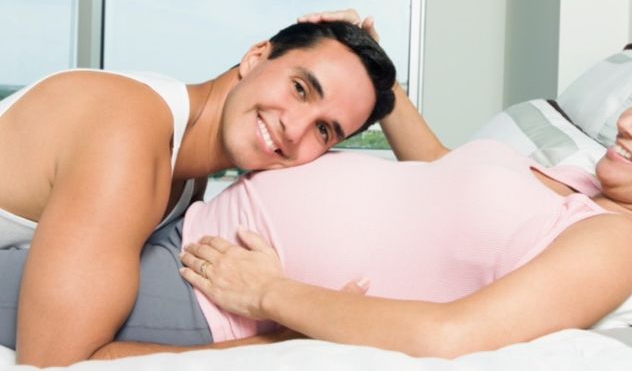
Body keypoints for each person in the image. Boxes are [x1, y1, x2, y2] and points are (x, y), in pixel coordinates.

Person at [3, 52, 632, 361]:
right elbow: (441, 177)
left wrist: (267, 295)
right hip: (182, 232)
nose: (629, 124)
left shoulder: (618, 244)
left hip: (206, 293)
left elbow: (454, 335)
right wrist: (381, 86)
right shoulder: (577, 178)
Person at [0, 20, 396, 366]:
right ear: (255, 57)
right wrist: (282, 343)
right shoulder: (128, 131)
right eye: (300, 89)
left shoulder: (188, 178)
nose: (294, 130)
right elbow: (55, 362)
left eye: (323, 130)